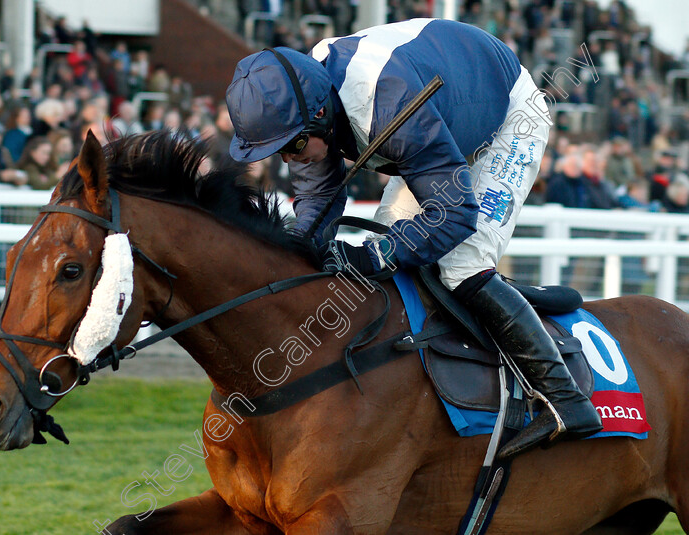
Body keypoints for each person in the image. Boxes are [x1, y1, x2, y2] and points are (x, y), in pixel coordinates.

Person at [224, 19, 602, 459]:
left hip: (506, 118)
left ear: (320, 115)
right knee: (394, 239)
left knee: (460, 264)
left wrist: (374, 256)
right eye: (280, 152)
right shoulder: (304, 109)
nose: (291, 158)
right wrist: (295, 257)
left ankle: (566, 399)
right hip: (438, 119)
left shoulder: (383, 101)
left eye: (293, 146)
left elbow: (455, 214)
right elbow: (318, 198)